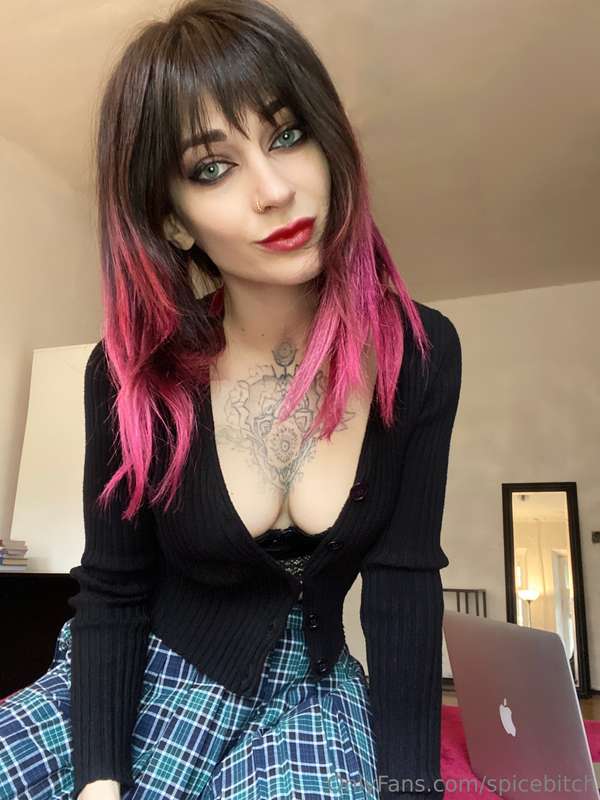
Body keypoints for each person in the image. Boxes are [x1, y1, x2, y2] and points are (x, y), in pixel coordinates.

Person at [0, 0, 462, 798]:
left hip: (308, 697)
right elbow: (112, 591)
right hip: (142, 675)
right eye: (213, 168)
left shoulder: (418, 353)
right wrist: (99, 781)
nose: (275, 190)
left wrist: (412, 788)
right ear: (174, 221)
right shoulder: (131, 374)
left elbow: (403, 589)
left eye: (287, 134)